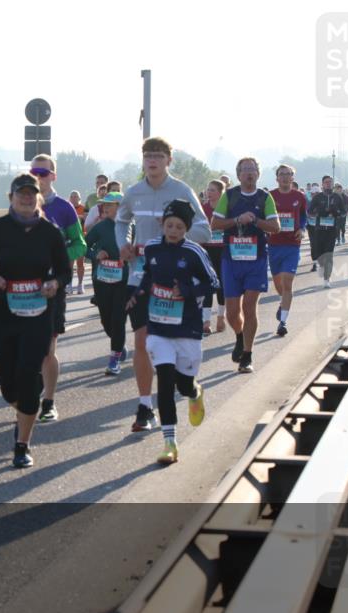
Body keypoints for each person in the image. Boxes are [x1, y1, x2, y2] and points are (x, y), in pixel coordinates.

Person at [115, 137, 211, 431]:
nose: (152, 161)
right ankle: (145, 406)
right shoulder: (133, 192)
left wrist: (174, 237)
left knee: (175, 348)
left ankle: (191, 389)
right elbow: (121, 221)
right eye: (147, 156)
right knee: (142, 340)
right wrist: (124, 244)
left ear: (169, 160)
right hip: (140, 276)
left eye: (158, 156)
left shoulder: (181, 191)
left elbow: (204, 230)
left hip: (175, 283)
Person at [0, 173, 70, 468]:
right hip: (4, 311)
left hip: (38, 313)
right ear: (11, 198)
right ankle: (24, 410)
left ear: (38, 197)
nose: (27, 198)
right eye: (21, 194)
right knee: (8, 386)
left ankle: (22, 444)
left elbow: (64, 270)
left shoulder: (50, 232)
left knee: (29, 379)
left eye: (32, 194)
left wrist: (55, 283)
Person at [128, 199, 217, 464]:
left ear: (186, 229)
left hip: (187, 329)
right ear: (162, 225)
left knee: (183, 384)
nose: (174, 230)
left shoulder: (194, 252)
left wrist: (187, 291)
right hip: (158, 327)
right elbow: (148, 274)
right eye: (170, 225)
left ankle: (194, 393)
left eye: (179, 226)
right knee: (165, 383)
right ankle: (170, 442)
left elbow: (213, 282)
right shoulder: (153, 247)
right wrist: (138, 292)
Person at [30, 154, 87, 423]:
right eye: (34, 171)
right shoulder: (21, 204)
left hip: (52, 288)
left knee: (48, 348)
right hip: (24, 290)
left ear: (53, 176)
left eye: (43, 172)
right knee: (26, 348)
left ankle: (49, 402)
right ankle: (34, 388)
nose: (38, 176)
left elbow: (80, 245)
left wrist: (59, 259)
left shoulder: (64, 208)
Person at [211, 157, 280, 372]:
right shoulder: (229, 196)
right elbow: (215, 224)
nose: (249, 173)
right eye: (245, 170)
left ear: (258, 174)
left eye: (253, 170)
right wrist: (237, 220)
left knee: (250, 306)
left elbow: (276, 227)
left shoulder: (264, 197)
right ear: (238, 174)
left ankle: (248, 355)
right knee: (233, 311)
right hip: (231, 260)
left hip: (256, 259)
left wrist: (256, 221)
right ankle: (239, 337)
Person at [84, 192, 128, 374]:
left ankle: (114, 358)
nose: (105, 207)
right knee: (106, 320)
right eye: (104, 204)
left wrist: (132, 256)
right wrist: (96, 255)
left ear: (121, 206)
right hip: (102, 279)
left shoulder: (131, 226)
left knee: (118, 319)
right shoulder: (100, 227)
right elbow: (83, 246)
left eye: (110, 204)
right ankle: (118, 344)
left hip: (124, 280)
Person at [268, 164, 308, 337]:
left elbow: (303, 215)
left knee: (287, 282)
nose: (285, 177)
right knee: (279, 285)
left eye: (288, 174)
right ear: (277, 178)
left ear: (293, 177)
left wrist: (302, 228)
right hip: (274, 244)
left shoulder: (299, 196)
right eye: (282, 174)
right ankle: (282, 303)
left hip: (292, 244)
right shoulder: (270, 196)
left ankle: (283, 322)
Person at [308, 175, 347, 288]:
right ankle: (320, 266)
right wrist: (318, 213)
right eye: (326, 182)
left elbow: (344, 212)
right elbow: (310, 211)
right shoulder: (318, 197)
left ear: (332, 184)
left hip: (331, 230)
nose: (328, 184)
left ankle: (327, 279)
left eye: (330, 182)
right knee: (319, 254)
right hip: (319, 230)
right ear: (322, 184)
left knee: (329, 255)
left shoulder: (337, 197)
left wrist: (337, 213)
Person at [201, 179, 227, 334]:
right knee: (207, 284)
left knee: (222, 284)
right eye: (208, 190)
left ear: (220, 192)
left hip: (223, 250)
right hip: (206, 249)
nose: (208, 193)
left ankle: (221, 316)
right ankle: (206, 321)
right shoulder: (202, 208)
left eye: (212, 190)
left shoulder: (226, 209)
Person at [68, 190, 87, 294]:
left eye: (76, 196)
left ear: (79, 199)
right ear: (69, 198)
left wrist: (79, 217)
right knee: (70, 264)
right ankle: (69, 284)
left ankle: (80, 284)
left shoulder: (83, 209)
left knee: (80, 263)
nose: (74, 198)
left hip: (81, 239)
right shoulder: (67, 209)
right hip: (70, 240)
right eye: (72, 196)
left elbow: (86, 219)